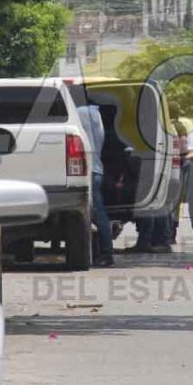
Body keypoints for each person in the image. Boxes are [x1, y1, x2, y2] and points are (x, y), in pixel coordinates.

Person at [76, 103, 114, 267]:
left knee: (96, 214)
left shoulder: (80, 117)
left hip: (88, 171)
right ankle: (104, 252)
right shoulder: (96, 121)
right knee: (98, 214)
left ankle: (106, 254)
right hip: (97, 170)